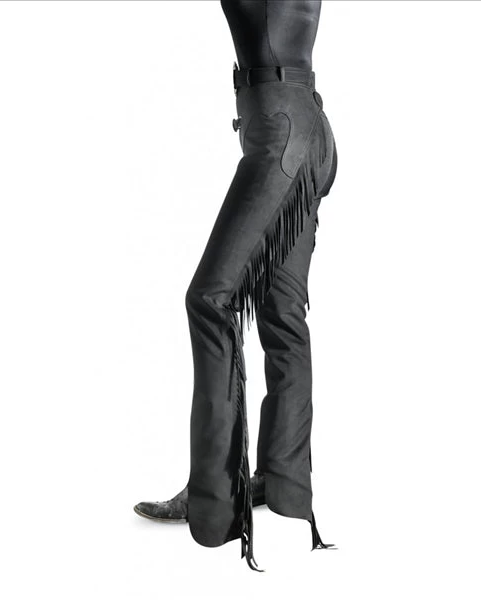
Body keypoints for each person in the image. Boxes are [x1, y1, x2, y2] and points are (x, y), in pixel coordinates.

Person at [134, 0, 338, 572]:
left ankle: (216, 496)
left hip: (282, 135)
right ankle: (283, 479)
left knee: (210, 301)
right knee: (281, 311)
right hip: (303, 127)